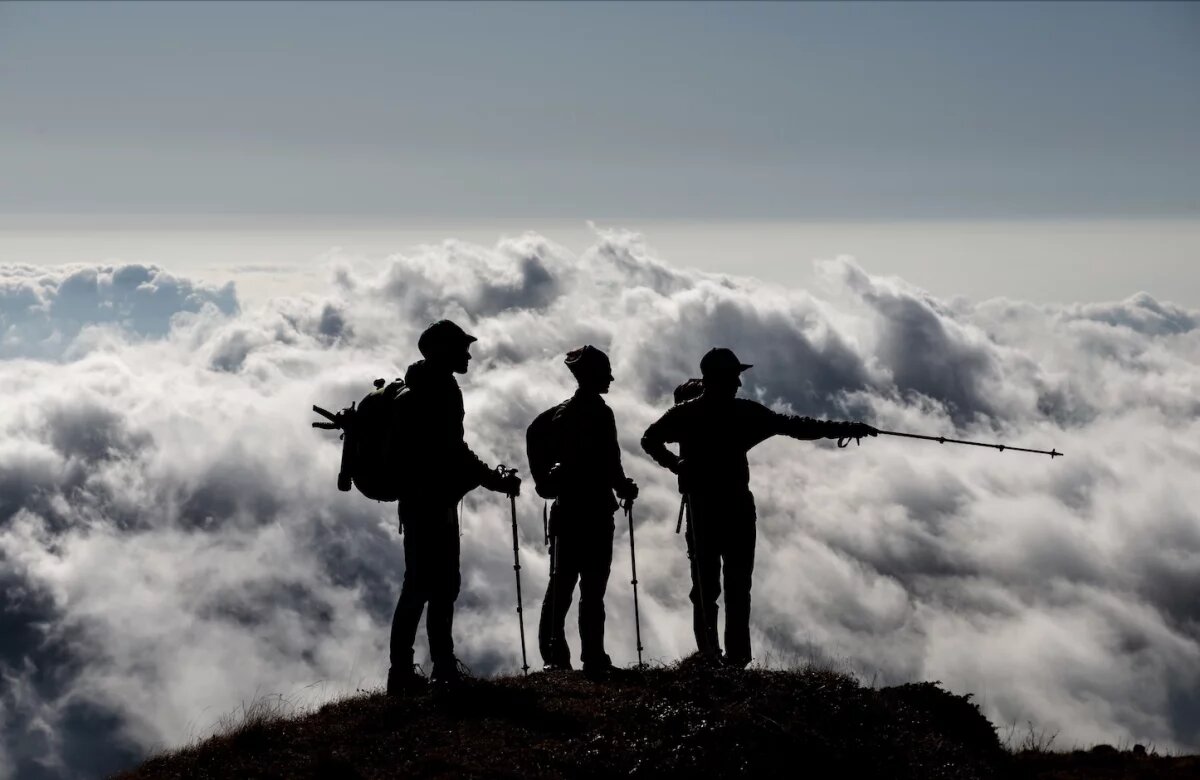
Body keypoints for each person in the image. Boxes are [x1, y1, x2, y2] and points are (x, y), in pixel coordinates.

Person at [640, 348, 877, 668]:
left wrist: (676, 464)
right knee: (734, 587)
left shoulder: (687, 414)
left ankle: (713, 654)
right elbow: (795, 425)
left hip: (705, 508)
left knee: (707, 587)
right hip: (732, 509)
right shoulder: (741, 413)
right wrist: (845, 428)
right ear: (720, 379)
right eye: (734, 376)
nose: (738, 382)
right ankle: (733, 658)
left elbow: (650, 439)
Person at [388, 319, 521, 694]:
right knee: (435, 586)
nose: (468, 354)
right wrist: (497, 480)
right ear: (443, 352)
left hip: (421, 503)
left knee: (423, 586)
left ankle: (412, 670)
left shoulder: (421, 390)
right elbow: (453, 451)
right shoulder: (438, 393)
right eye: (461, 348)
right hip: (432, 504)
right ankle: (437, 668)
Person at [528, 346, 638, 674]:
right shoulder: (599, 414)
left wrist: (619, 485)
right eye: (605, 372)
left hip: (570, 512)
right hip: (594, 512)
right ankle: (591, 658)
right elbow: (611, 461)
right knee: (589, 589)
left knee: (562, 586)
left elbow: (603, 462)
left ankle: (557, 658)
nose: (611, 378)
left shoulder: (555, 418)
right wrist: (622, 487)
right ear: (590, 375)